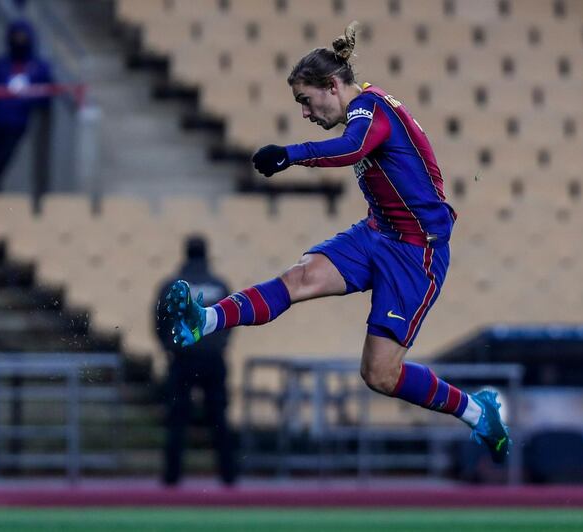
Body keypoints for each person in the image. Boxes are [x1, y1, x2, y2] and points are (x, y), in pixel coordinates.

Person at [163, 22, 511, 464]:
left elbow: (350, 148)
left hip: (416, 253)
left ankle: (478, 411)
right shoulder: (366, 109)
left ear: (331, 85)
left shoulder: (369, 107)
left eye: (305, 102)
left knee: (380, 375)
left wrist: (291, 153)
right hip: (377, 233)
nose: (305, 113)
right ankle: (204, 320)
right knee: (300, 276)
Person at [156, 235, 237, 486]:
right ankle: (229, 477)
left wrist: (171, 347)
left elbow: (159, 322)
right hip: (213, 360)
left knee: (177, 419)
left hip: (182, 359)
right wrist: (218, 345)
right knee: (219, 419)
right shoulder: (219, 284)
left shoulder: (171, 285)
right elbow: (231, 319)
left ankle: (172, 479)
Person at [0, 19, 54, 224]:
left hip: (17, 125)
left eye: (23, 37)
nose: (19, 41)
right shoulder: (0, 65)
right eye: (16, 37)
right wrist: (0, 96)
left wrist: (28, 98)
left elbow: (46, 97)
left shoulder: (38, 68)